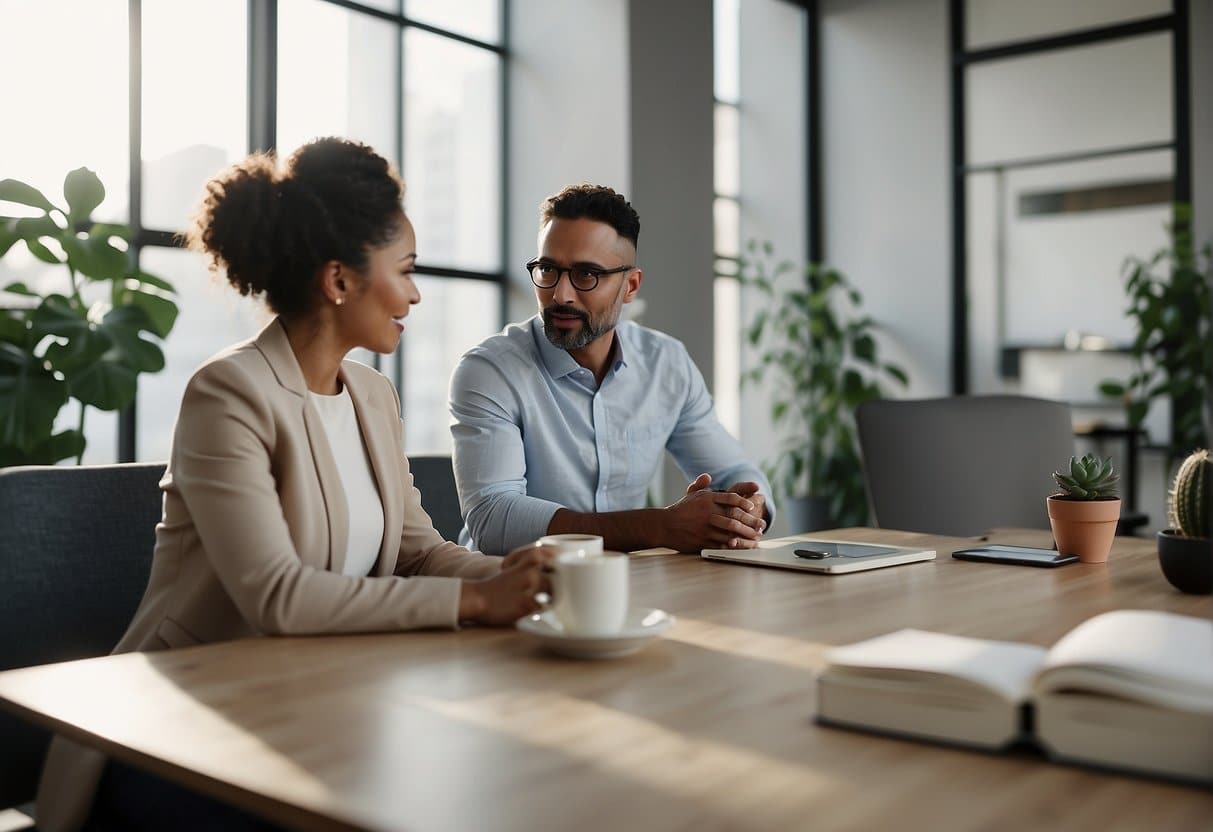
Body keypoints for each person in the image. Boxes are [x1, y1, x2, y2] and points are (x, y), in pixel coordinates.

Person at [36, 138, 553, 832]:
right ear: (338, 281)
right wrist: (479, 600)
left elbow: (416, 550)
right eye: (404, 270)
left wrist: (522, 574)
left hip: (317, 703)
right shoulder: (228, 392)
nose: (415, 292)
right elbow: (277, 595)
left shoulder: (371, 395)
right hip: (178, 730)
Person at [449, 183, 775, 557]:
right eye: (548, 269)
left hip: (630, 586)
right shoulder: (490, 371)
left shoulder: (666, 364)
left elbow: (737, 473)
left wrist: (746, 510)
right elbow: (494, 518)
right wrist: (662, 527)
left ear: (630, 285)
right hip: (513, 592)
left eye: (586, 275)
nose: (561, 295)